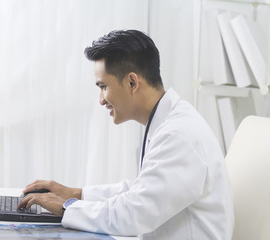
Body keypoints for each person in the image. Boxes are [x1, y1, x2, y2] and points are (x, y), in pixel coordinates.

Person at [18, 29, 234, 239]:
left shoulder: (179, 135)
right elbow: (141, 191)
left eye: (103, 87)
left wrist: (67, 208)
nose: (101, 99)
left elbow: (133, 215)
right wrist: (75, 194)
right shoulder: (170, 122)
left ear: (132, 82)